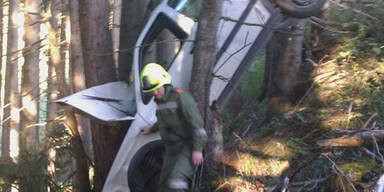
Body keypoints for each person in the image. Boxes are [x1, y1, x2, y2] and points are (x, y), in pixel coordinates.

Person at [139, 63, 207, 192]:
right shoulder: (159, 102)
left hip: (187, 147)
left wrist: (198, 149)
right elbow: (163, 121)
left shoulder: (180, 96)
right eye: (152, 90)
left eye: (157, 88)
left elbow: (197, 125)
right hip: (171, 150)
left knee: (177, 182)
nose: (155, 92)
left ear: (163, 82)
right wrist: (151, 129)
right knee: (164, 186)